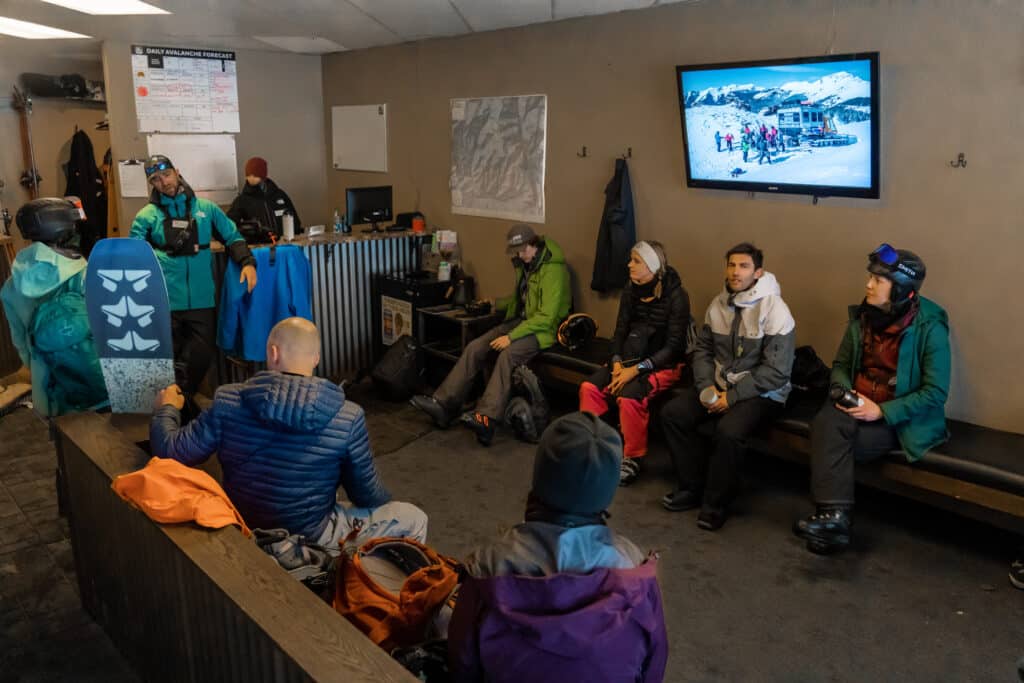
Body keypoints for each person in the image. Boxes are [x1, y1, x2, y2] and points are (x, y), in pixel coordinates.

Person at [149, 317, 427, 549]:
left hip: (245, 525)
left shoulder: (227, 401)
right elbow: (368, 497)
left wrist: (167, 409)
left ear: (272, 352)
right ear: (316, 358)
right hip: (312, 534)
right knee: (413, 518)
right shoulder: (348, 415)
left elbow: (169, 451)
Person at [447, 412, 667, 683]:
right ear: (607, 493)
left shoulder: (487, 568)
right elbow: (653, 668)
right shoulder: (636, 574)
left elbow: (462, 665)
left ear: (541, 478)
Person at [793, 245, 949, 554]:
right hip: (855, 407)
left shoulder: (930, 326)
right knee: (829, 420)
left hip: (899, 421)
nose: (868, 285)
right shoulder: (863, 317)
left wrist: (881, 410)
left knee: (831, 435)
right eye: (870, 277)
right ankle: (834, 519)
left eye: (878, 280)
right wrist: (842, 391)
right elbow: (839, 366)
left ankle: (834, 519)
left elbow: (935, 393)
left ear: (901, 289)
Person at [661, 243, 795, 531]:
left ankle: (715, 504)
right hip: (720, 385)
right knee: (673, 414)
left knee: (729, 431)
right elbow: (703, 352)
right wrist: (706, 387)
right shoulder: (718, 304)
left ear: (758, 272)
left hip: (763, 392)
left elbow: (777, 372)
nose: (736, 272)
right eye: (732, 265)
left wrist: (731, 398)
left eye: (744, 266)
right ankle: (690, 487)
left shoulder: (775, 309)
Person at [411, 224, 570, 446]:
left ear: (535, 244)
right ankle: (444, 405)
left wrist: (511, 338)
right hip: (521, 321)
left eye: (523, 250)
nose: (519, 254)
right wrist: (496, 303)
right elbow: (522, 301)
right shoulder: (526, 264)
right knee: (476, 346)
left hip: (544, 330)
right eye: (517, 250)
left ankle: (486, 419)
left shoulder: (553, 270)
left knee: (507, 355)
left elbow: (546, 316)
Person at [130, 155, 257, 413]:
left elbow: (232, 237)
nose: (162, 182)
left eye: (165, 175)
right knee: (168, 362)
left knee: (200, 357)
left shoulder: (206, 210)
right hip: (164, 301)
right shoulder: (146, 217)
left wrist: (247, 262)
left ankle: (178, 407)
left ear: (176, 172)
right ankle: (179, 416)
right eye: (155, 179)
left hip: (201, 299)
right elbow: (134, 257)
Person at [579, 240, 689, 486]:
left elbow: (674, 348)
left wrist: (636, 371)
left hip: (664, 364)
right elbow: (619, 332)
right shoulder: (630, 289)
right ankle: (593, 443)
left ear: (651, 265)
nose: (629, 265)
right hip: (628, 359)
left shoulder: (677, 296)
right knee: (590, 389)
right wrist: (617, 362)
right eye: (631, 259)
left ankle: (632, 457)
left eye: (636, 261)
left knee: (629, 398)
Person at [1, 197, 108, 418]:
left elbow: (21, 344)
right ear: (62, 227)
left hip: (48, 391)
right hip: (96, 388)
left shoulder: (10, 286)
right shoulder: (85, 273)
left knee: (66, 446)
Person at [227, 156, 302, 239]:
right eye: (249, 175)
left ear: (263, 176)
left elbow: (296, 223)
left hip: (285, 245)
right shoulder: (241, 201)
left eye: (255, 175)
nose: (251, 177)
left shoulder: (280, 195)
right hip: (259, 249)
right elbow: (227, 227)